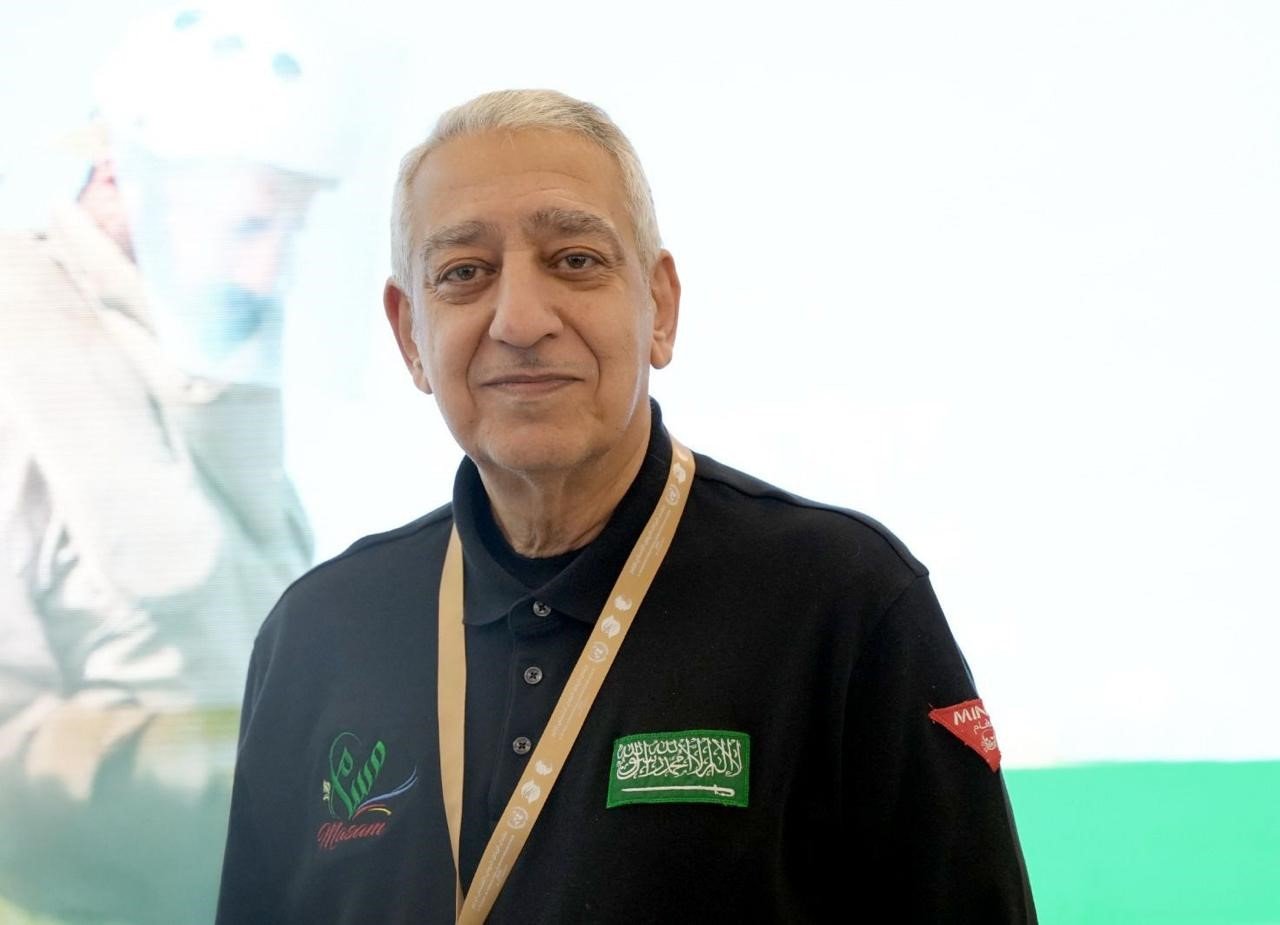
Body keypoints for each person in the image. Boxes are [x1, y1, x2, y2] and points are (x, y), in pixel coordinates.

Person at [217, 88, 1037, 923]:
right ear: (409, 336)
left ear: (660, 307)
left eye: (574, 259)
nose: (520, 320)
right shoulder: (316, 633)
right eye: (464, 273)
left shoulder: (843, 602)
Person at [0, 7, 346, 923]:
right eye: (246, 223)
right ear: (121, 172)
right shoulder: (16, 351)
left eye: (292, 229)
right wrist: (261, 781)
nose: (268, 272)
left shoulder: (208, 373)